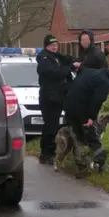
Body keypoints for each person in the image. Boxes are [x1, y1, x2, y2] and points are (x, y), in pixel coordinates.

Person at [63, 66, 109, 176]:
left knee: (78, 136)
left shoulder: (91, 71)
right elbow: (97, 100)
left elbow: (80, 73)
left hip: (69, 106)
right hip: (81, 110)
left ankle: (81, 165)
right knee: (92, 137)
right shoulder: (105, 82)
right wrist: (91, 117)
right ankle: (102, 165)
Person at [36, 34, 81, 164]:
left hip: (60, 95)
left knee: (63, 123)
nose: (55, 47)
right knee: (50, 126)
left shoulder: (56, 56)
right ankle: (46, 154)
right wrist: (69, 68)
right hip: (49, 97)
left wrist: (74, 63)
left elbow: (67, 60)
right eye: (52, 45)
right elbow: (56, 73)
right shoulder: (44, 59)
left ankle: (64, 150)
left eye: (56, 45)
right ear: (46, 46)